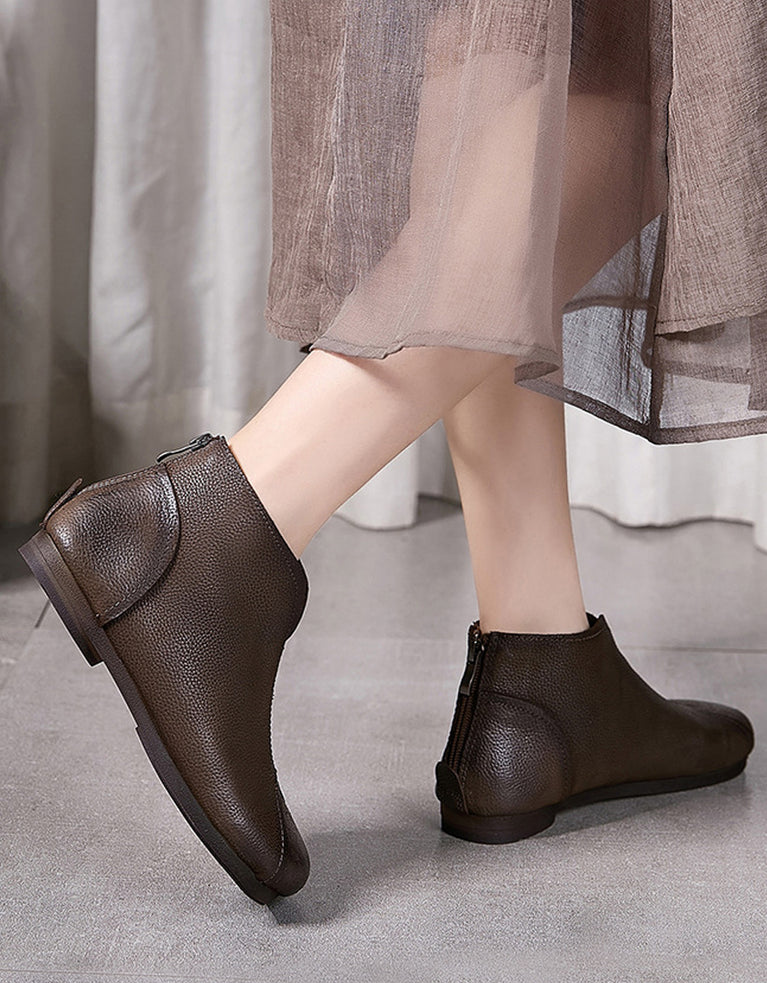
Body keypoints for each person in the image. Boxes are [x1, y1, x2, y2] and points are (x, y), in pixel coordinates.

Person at [20, 0, 764, 903]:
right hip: (201, 538)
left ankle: (541, 656)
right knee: (653, 75)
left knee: (514, 52)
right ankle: (212, 531)